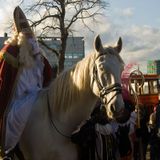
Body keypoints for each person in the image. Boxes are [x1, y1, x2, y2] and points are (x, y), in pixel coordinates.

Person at [0, 6, 52, 159]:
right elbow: (3, 81)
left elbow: (48, 75)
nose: (29, 35)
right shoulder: (13, 52)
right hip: (23, 101)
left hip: (30, 100)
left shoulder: (37, 54)